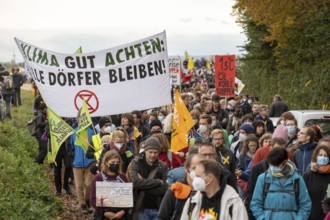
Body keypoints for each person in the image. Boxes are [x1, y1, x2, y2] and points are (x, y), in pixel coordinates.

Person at [250, 147, 311, 220]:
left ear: (285, 162)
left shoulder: (297, 179)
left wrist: (299, 218)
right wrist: (262, 218)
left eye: (275, 165)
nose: (272, 167)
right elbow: (255, 203)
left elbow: (305, 204)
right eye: (271, 164)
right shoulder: (263, 178)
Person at [180, 159, 248, 219]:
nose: (194, 180)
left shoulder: (233, 203)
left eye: (198, 176)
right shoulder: (193, 201)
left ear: (209, 177)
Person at [129, 137, 168, 220]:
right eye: (150, 152)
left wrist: (142, 184)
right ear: (145, 151)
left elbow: (165, 188)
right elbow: (135, 183)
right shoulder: (136, 163)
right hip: (141, 208)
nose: (153, 155)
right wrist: (158, 182)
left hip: (158, 208)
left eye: (155, 152)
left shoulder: (163, 166)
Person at [158, 153, 204, 219]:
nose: (197, 171)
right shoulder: (175, 189)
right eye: (194, 168)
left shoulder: (207, 191)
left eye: (201, 168)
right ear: (186, 169)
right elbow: (162, 217)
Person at [90, 150, 129, 220]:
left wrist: (123, 211)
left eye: (117, 162)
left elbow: (129, 198)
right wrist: (104, 212)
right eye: (113, 162)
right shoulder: (98, 178)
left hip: (121, 215)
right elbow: (93, 199)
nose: (115, 164)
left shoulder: (123, 177)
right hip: (103, 215)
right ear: (106, 162)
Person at [69, 121, 95, 214]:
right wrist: (73, 156)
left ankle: (87, 201)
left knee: (89, 185)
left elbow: (95, 146)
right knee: (79, 186)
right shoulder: (74, 132)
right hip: (77, 164)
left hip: (89, 164)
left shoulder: (92, 132)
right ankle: (82, 205)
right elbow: (69, 147)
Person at [303, 145, 330, 220]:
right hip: (311, 216)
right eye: (320, 155)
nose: (323, 157)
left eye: (326, 155)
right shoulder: (307, 176)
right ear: (315, 157)